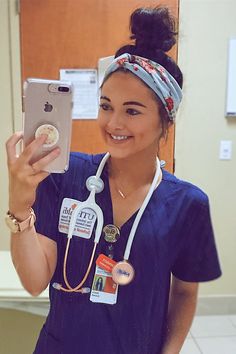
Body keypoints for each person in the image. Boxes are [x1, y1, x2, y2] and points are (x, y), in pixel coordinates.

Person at [5, 6, 221, 354]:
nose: (113, 123)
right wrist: (19, 205)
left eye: (132, 110)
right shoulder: (64, 175)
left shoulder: (188, 204)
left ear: (166, 120)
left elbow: (184, 292)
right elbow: (34, 281)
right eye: (106, 106)